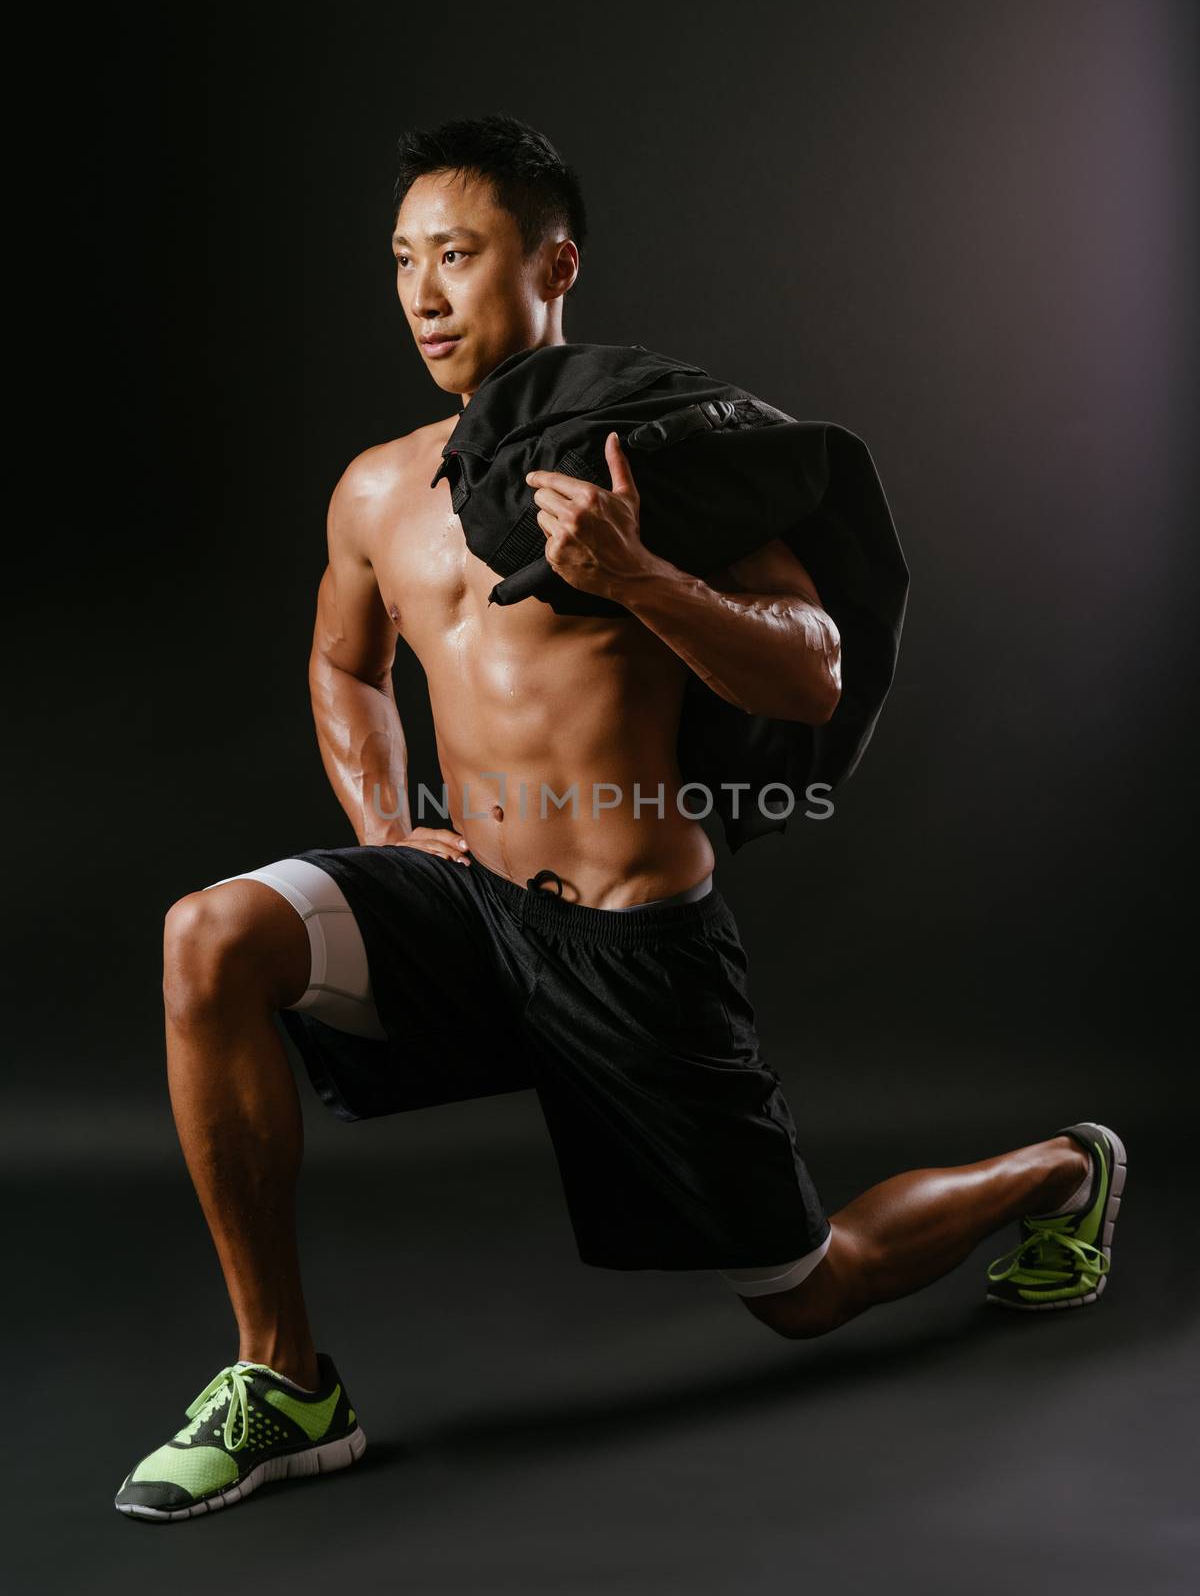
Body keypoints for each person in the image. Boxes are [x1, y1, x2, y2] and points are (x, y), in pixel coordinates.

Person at [115, 114, 1127, 1522]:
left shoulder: (654, 453)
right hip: (470, 909)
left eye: (457, 256)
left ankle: (1063, 1171)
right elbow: (343, 663)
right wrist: (385, 821)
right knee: (210, 936)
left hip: (630, 943)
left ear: (555, 262)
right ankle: (286, 1384)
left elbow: (815, 663)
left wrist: (641, 574)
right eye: (403, 261)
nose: (422, 293)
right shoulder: (374, 488)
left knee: (807, 1288)